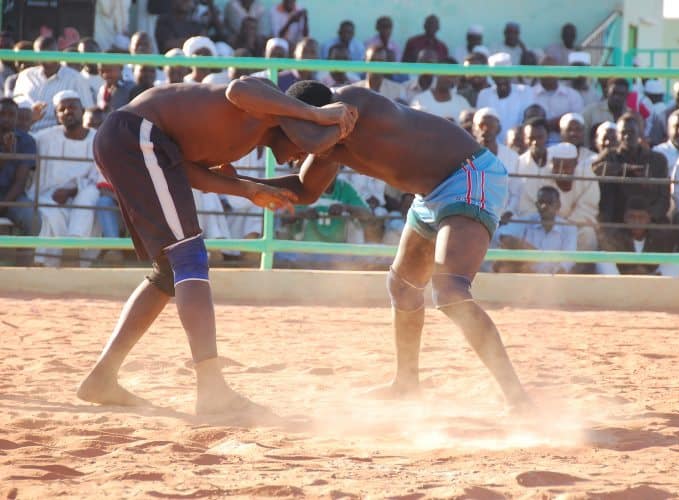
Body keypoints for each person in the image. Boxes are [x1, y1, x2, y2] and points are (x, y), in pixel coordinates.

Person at [76, 77, 357, 414]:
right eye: (308, 143)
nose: (300, 158)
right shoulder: (261, 105)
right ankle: (211, 389)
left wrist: (248, 189)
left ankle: (102, 377)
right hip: (135, 135)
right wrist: (315, 113)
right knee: (189, 257)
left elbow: (186, 173)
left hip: (138, 142)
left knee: (170, 272)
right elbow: (237, 89)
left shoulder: (247, 138)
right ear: (295, 122)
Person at [248, 80, 532, 410]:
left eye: (288, 139)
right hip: (430, 194)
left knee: (451, 292)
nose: (288, 156)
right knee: (403, 286)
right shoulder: (328, 142)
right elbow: (305, 190)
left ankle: (518, 399)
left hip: (469, 176)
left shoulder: (353, 102)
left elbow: (314, 146)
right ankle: (407, 384)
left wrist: (286, 129)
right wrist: (231, 184)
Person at [28, 91, 100, 266]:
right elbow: (21, 143)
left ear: (82, 111)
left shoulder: (98, 138)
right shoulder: (45, 137)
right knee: (51, 214)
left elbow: (99, 177)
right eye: (62, 109)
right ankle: (48, 262)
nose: (68, 112)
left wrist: (71, 191)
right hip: (49, 195)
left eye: (73, 107)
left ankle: (74, 246)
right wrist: (30, 121)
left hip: (81, 193)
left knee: (89, 195)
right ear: (56, 115)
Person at [592, 112, 670, 232]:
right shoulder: (610, 155)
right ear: (617, 135)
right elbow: (595, 169)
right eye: (623, 133)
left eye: (632, 132)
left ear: (640, 133)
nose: (627, 137)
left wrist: (650, 216)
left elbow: (664, 198)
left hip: (649, 218)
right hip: (617, 217)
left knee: (665, 229)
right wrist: (626, 169)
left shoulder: (657, 159)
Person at [519, 141, 599, 250]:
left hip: (577, 226)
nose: (562, 171)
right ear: (550, 163)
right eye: (557, 166)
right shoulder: (541, 176)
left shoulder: (587, 176)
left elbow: (588, 209)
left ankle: (582, 266)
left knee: (588, 233)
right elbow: (530, 208)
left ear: (575, 163)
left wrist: (565, 226)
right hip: (546, 226)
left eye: (566, 166)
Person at [13, 36, 95, 132]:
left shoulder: (75, 78)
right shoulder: (26, 76)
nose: (46, 57)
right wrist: (30, 114)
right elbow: (14, 106)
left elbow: (87, 111)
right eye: (41, 53)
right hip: (26, 133)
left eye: (50, 52)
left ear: (58, 51)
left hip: (59, 136)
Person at [495, 186, 577, 274]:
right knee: (503, 259)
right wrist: (518, 244)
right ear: (537, 205)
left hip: (554, 279)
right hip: (527, 276)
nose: (544, 206)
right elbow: (499, 233)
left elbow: (568, 261)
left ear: (558, 205)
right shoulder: (528, 221)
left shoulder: (569, 228)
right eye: (541, 202)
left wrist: (553, 279)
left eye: (549, 202)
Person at [596, 195, 679, 277]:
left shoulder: (659, 236)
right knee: (602, 258)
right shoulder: (615, 236)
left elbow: (660, 267)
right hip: (621, 283)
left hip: (651, 283)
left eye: (641, 217)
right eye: (632, 217)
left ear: (649, 218)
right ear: (625, 218)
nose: (636, 221)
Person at [0, 98, 37, 235]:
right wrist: (6, 153)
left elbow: (20, 182)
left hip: (12, 196)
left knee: (33, 220)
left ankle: (26, 257)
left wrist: (3, 206)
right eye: (2, 114)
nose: (6, 119)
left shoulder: (27, 141)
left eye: (11, 115)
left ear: (17, 118)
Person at [476, 52, 533, 139]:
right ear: (492, 75)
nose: (501, 77)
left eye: (505, 73)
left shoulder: (525, 92)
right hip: (491, 145)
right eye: (498, 73)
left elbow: (529, 120)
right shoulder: (484, 95)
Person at [410, 58, 470, 123]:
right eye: (447, 73)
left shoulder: (462, 102)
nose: (449, 79)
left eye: (453, 76)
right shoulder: (420, 100)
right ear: (437, 73)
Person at [582, 78, 629, 148]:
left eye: (621, 94)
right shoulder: (591, 111)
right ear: (607, 92)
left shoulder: (630, 115)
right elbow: (584, 138)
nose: (617, 97)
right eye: (614, 93)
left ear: (626, 95)